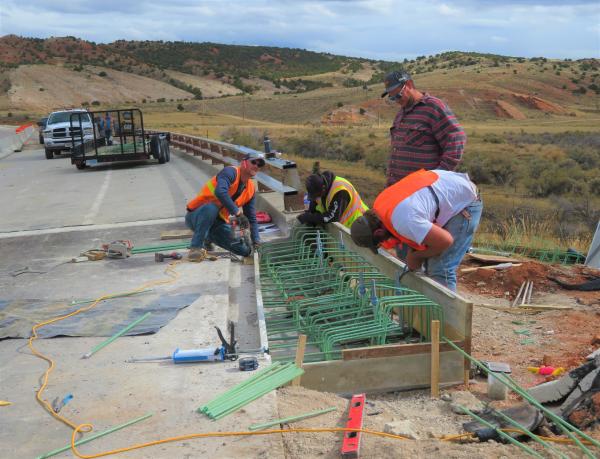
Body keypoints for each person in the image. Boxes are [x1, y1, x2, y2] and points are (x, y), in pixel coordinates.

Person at [350, 169, 482, 291]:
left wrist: (416, 255)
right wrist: (417, 255)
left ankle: (445, 316)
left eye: (380, 241)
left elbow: (445, 241)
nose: (385, 242)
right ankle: (430, 309)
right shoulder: (380, 206)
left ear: (378, 232)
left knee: (441, 268)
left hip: (466, 201)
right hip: (448, 187)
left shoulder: (404, 221)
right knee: (431, 262)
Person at [382, 70, 466, 187]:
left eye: (398, 95)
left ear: (409, 84)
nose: (397, 100)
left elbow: (456, 138)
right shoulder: (401, 113)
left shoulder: (433, 107)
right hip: (398, 189)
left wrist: (438, 177)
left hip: (423, 192)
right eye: (392, 98)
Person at [185, 152, 265, 262]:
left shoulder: (250, 189)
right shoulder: (230, 172)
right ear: (244, 163)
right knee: (211, 208)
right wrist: (238, 214)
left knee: (244, 250)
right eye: (253, 162)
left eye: (259, 164)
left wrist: (256, 241)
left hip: (218, 222)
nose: (256, 166)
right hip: (197, 215)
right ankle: (195, 248)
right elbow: (220, 192)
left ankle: (208, 238)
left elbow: (251, 219)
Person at [297, 164, 368, 228]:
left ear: (323, 188)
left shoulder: (340, 191)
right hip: (345, 229)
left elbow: (332, 217)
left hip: (360, 224)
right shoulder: (320, 188)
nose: (316, 198)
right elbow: (316, 204)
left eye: (316, 195)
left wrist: (310, 218)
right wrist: (311, 213)